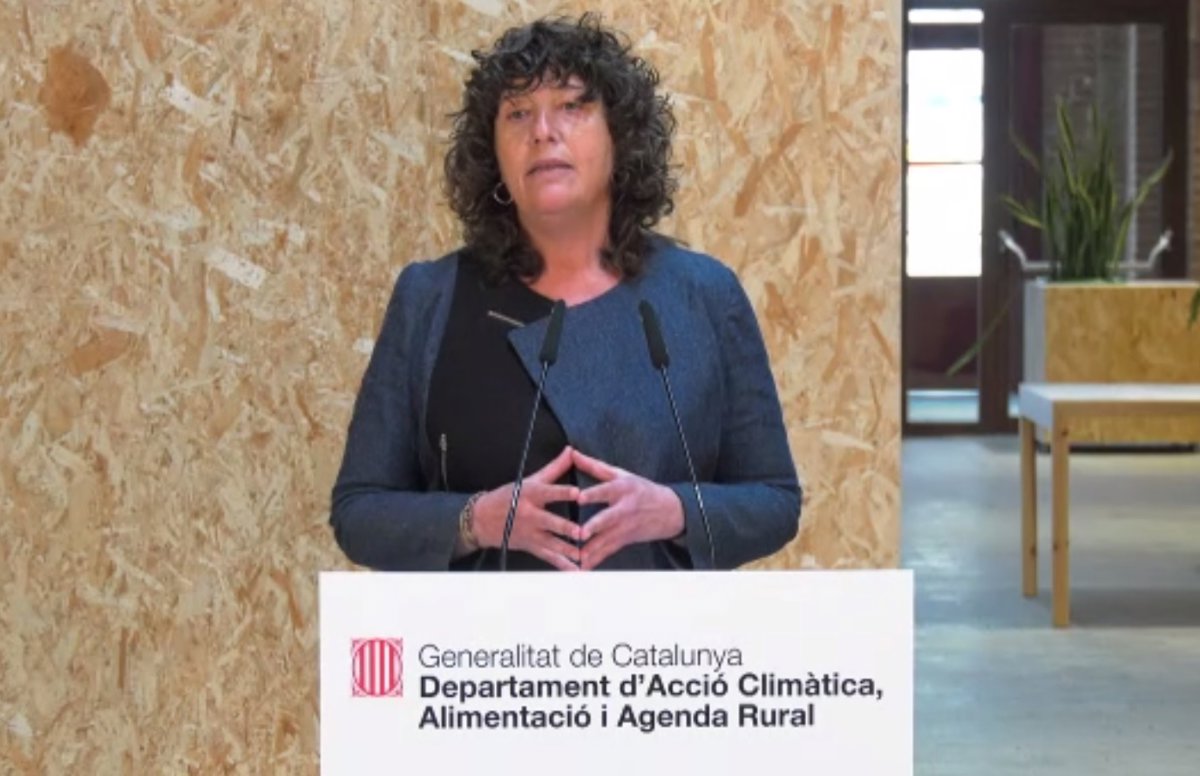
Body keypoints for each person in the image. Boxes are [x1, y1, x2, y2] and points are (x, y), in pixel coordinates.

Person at [329, 14, 801, 572]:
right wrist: (475, 520)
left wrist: (675, 511)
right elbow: (360, 512)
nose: (542, 131)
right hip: (482, 629)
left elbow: (774, 501)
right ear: (492, 154)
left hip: (660, 628)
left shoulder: (704, 295)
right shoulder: (430, 298)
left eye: (572, 106)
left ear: (620, 136)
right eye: (518, 113)